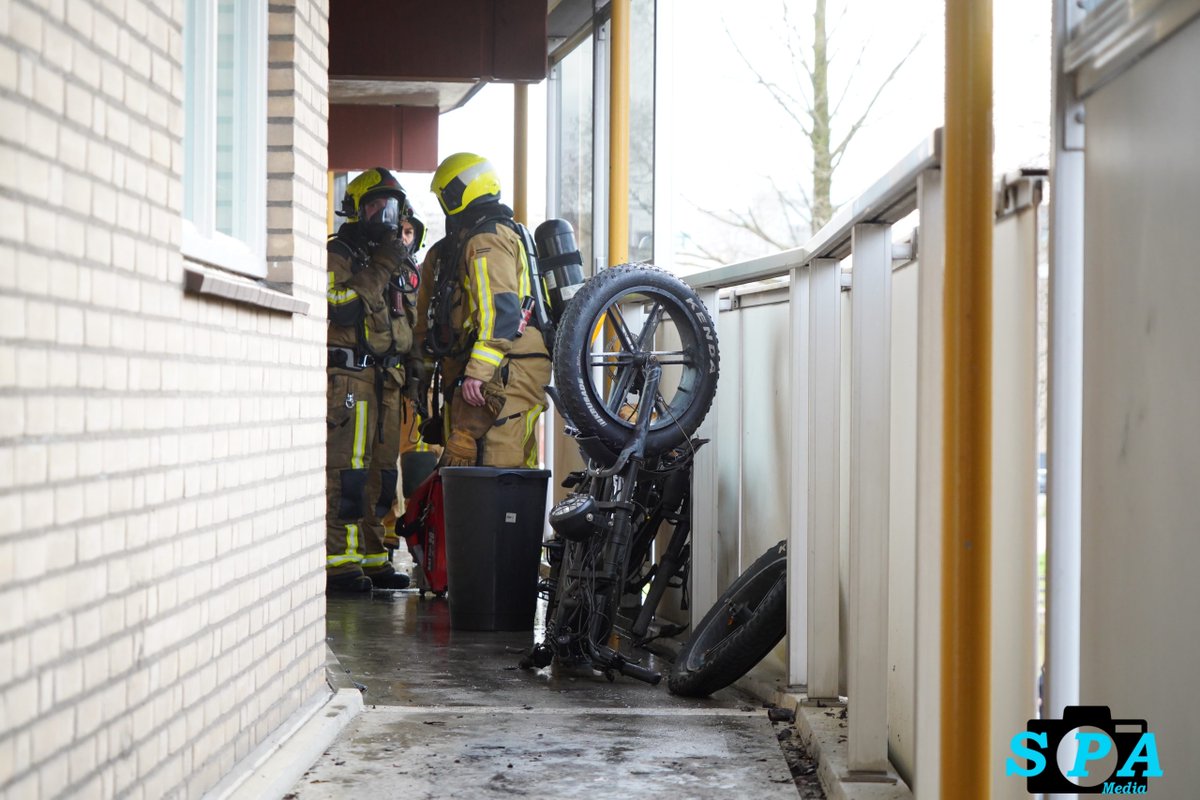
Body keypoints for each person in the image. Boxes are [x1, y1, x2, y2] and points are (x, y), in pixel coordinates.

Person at [414, 153, 551, 469]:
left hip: (508, 372)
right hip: (499, 369)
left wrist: (478, 371)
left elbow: (500, 311)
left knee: (500, 471)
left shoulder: (486, 239)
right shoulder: (476, 238)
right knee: (471, 474)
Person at [325, 167, 424, 594]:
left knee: (382, 475)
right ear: (355, 210)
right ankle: (339, 562)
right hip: (350, 377)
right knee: (348, 473)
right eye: (375, 206)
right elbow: (339, 306)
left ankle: (372, 554)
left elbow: (409, 322)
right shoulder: (341, 252)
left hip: (388, 379)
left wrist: (416, 372)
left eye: (392, 207)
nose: (384, 216)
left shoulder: (396, 258)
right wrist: (381, 267)